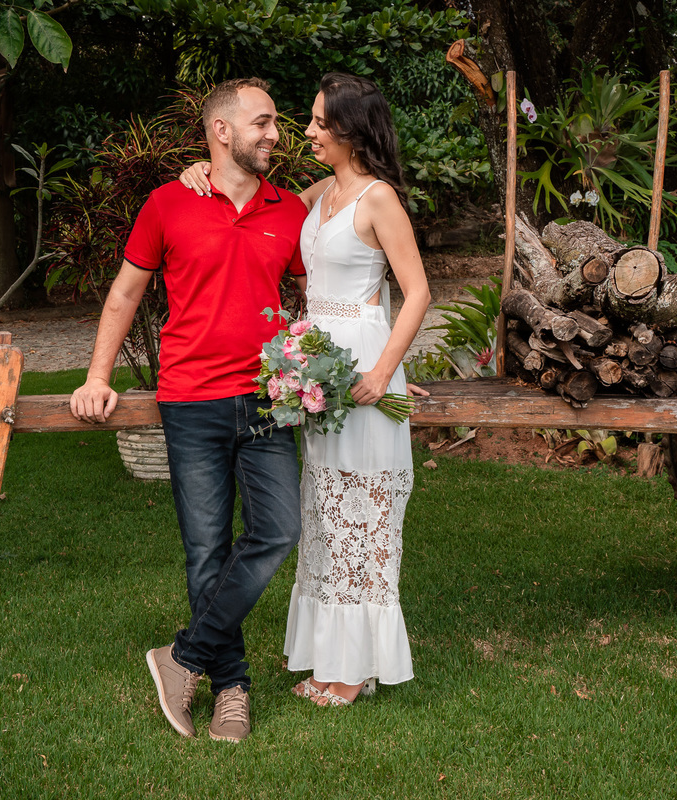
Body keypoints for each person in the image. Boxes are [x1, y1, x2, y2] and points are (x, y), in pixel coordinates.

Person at [180, 72, 431, 706]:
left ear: (351, 130)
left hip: (364, 374)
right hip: (317, 374)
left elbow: (418, 292)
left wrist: (384, 372)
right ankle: (337, 657)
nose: (308, 131)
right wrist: (196, 169)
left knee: (364, 517)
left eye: (320, 122)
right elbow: (252, 192)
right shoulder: (320, 194)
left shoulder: (379, 199)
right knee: (323, 516)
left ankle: (353, 672)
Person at [70, 77, 308, 743]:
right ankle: (232, 687)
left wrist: (340, 362)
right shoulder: (168, 204)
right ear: (221, 131)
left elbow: (323, 282)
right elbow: (124, 296)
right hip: (192, 402)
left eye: (278, 125)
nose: (275, 135)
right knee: (206, 553)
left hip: (265, 401)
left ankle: (183, 658)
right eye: (262, 122)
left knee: (278, 531)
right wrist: (96, 376)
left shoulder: (290, 209)